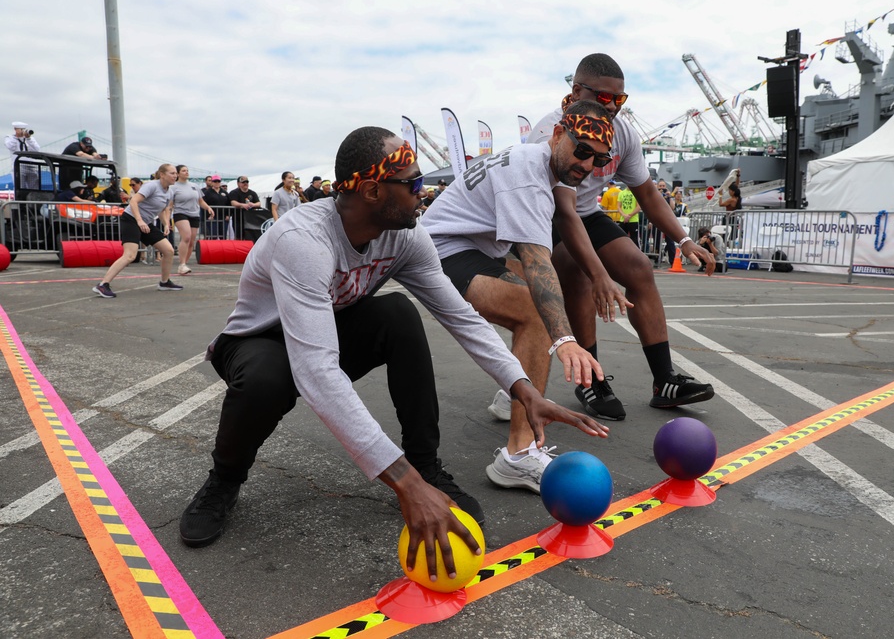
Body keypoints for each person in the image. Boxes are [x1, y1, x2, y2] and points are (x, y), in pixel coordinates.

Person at [178, 126, 608, 552]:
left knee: (399, 315)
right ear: (371, 191)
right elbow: (317, 371)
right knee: (267, 378)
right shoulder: (304, 241)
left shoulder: (405, 235)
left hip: (330, 324)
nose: (424, 191)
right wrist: (403, 484)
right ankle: (224, 480)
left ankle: (427, 466)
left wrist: (523, 388)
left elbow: (461, 317)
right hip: (258, 339)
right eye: (413, 183)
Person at [422, 101, 609, 493]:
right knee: (538, 312)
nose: (588, 165)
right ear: (557, 136)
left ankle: (513, 396)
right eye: (582, 151)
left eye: (599, 159)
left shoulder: (539, 165)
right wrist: (564, 339)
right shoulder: (529, 177)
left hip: (466, 247)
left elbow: (533, 262)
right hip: (438, 251)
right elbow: (540, 264)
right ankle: (519, 456)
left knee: (532, 291)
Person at [527, 53, 716, 420]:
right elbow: (562, 210)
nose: (613, 107)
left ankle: (665, 382)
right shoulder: (554, 130)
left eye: (620, 99)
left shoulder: (623, 132)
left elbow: (647, 193)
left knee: (638, 266)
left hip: (584, 211)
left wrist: (684, 240)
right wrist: (599, 275)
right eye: (605, 98)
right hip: (546, 215)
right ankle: (590, 381)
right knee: (578, 272)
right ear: (577, 90)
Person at [92, 163, 183, 298]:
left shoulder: (169, 192)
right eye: (172, 173)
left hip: (145, 223)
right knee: (130, 255)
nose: (175, 176)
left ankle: (164, 282)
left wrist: (165, 224)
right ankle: (103, 284)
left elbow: (163, 210)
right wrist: (139, 221)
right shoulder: (152, 186)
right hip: (131, 219)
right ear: (162, 174)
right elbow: (133, 201)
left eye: (176, 173)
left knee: (168, 250)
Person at [171, 165, 216, 274]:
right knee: (186, 237)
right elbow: (170, 204)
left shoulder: (194, 186)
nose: (186, 172)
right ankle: (181, 264)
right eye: (183, 171)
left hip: (194, 214)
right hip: (180, 213)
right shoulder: (173, 187)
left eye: (187, 170)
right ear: (178, 173)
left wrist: (208, 208)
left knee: (191, 241)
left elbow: (200, 201)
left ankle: (183, 265)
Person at [229, 176, 262, 241]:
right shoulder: (234, 192)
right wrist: (243, 205)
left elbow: (259, 203)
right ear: (238, 183)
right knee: (238, 236)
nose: (245, 183)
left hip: (250, 220)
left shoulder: (252, 193)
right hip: (238, 219)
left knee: (250, 236)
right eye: (243, 182)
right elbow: (233, 202)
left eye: (247, 182)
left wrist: (253, 205)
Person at [201, 175, 229, 239]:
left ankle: (223, 248)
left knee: (223, 236)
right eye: (215, 181)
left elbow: (228, 203)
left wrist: (228, 215)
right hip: (212, 217)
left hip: (223, 217)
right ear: (212, 182)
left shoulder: (224, 192)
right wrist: (208, 215)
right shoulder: (207, 193)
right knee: (213, 235)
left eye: (218, 181)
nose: (217, 183)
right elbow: (203, 204)